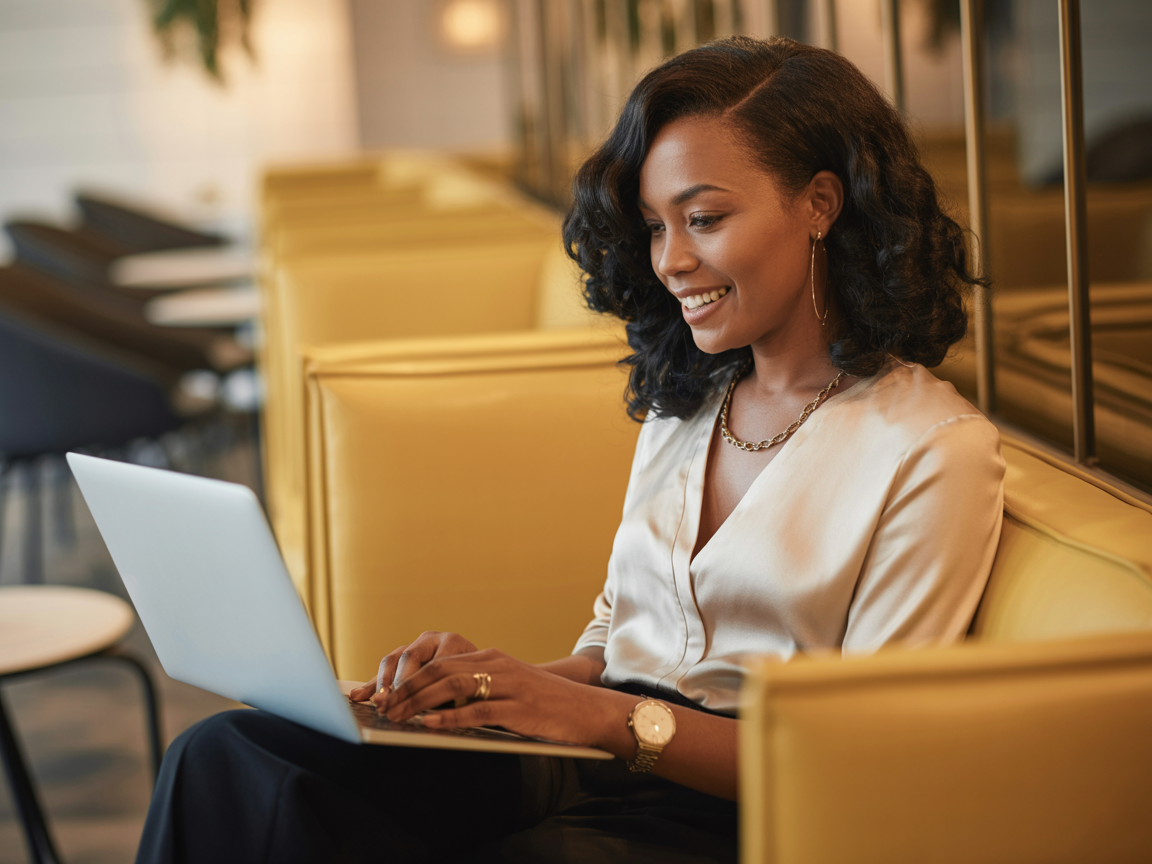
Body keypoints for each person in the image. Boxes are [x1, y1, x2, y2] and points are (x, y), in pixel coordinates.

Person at [135, 35, 1004, 863]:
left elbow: (865, 764)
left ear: (820, 202)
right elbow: (620, 636)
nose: (672, 261)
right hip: (597, 759)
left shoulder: (929, 451)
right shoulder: (690, 401)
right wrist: (479, 694)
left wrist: (596, 719)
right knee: (229, 757)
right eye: (657, 227)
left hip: (737, 813)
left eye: (702, 218)